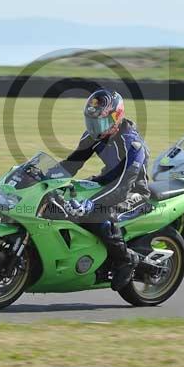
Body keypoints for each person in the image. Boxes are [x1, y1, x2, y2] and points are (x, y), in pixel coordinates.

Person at [58, 88, 150, 291]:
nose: (94, 128)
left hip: (134, 192)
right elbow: (72, 164)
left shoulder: (133, 145)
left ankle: (125, 260)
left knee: (99, 215)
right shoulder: (94, 136)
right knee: (64, 197)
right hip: (106, 183)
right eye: (91, 122)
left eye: (100, 122)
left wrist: (91, 203)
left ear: (116, 118)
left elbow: (122, 186)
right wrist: (42, 176)